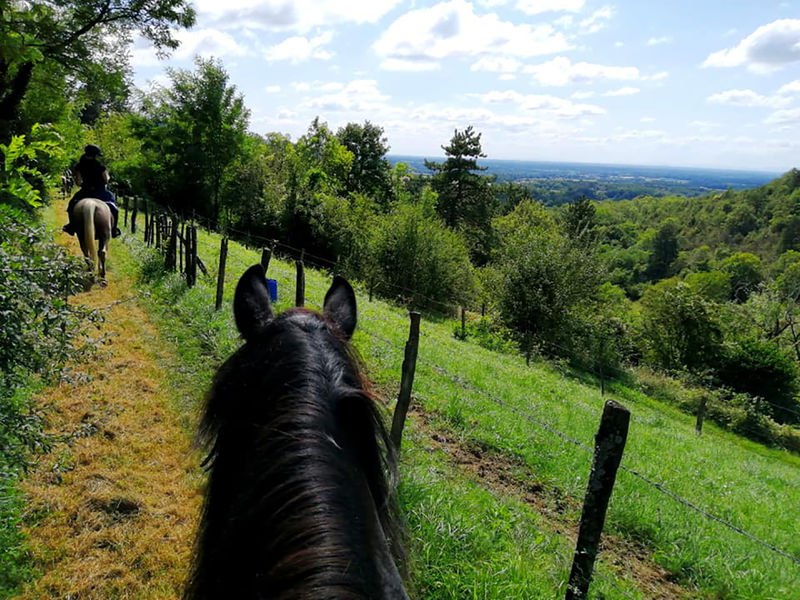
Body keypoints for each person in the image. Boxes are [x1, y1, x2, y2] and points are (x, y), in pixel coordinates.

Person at [63, 144, 121, 238]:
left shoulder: (79, 166)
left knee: (71, 205)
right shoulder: (100, 166)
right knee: (114, 208)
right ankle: (114, 230)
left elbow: (78, 181)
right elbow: (106, 180)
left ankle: (71, 226)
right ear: (95, 155)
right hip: (101, 192)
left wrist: (84, 184)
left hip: (85, 192)